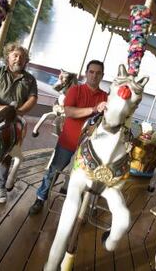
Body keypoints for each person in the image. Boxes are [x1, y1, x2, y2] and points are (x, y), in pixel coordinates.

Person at [29, 60, 107, 215]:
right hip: (69, 139)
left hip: (90, 147)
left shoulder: (105, 97)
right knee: (55, 170)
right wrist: (93, 109)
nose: (94, 75)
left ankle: (85, 205)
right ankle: (40, 198)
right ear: (86, 73)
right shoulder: (75, 90)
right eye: (91, 72)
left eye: (98, 73)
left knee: (90, 176)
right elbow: (70, 112)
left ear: (102, 75)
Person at [0, 42, 38, 203]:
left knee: (7, 153)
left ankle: (0, 185)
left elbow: (32, 98)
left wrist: (20, 111)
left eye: (22, 57)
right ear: (7, 57)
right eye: (15, 55)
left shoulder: (29, 79)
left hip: (12, 120)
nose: (18, 59)